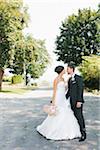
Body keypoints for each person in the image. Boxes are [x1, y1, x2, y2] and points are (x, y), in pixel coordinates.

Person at [36, 66, 81, 140]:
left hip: (63, 98)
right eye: (64, 70)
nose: (65, 71)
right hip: (58, 98)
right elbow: (54, 92)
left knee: (65, 112)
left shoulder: (63, 79)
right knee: (56, 113)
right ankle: (52, 130)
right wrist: (53, 102)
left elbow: (65, 89)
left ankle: (68, 131)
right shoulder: (56, 80)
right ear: (61, 71)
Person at [66, 62, 86, 142]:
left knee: (79, 117)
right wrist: (61, 99)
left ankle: (83, 134)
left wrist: (79, 101)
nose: (67, 70)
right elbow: (69, 91)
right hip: (71, 102)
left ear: (71, 69)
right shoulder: (70, 79)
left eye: (67, 68)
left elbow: (81, 90)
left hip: (77, 102)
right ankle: (77, 132)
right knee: (74, 117)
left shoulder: (78, 78)